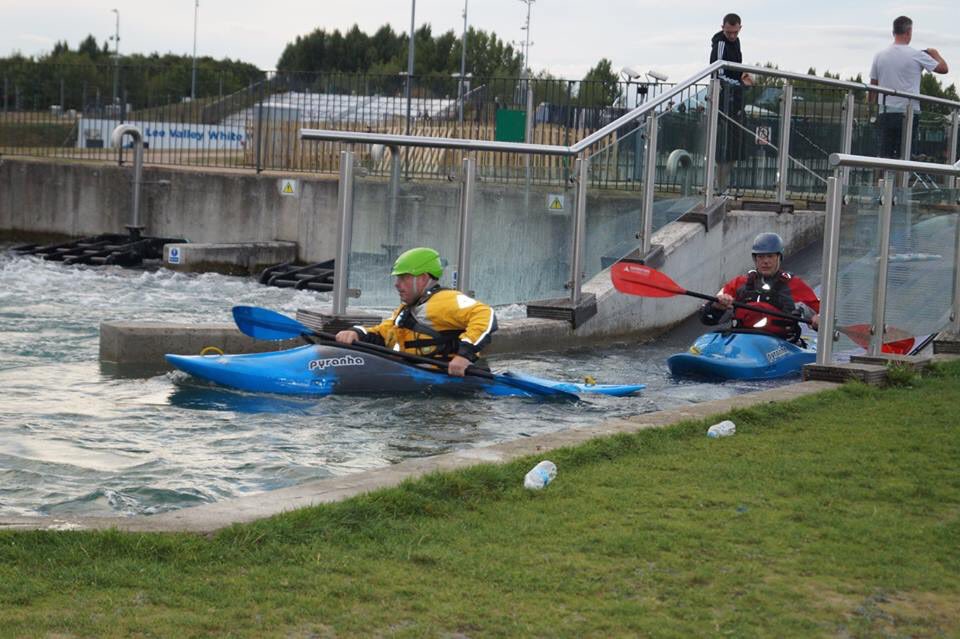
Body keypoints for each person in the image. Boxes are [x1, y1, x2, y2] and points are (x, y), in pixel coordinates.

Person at [335, 247, 497, 377]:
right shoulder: (408, 308)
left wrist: (464, 356)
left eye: (403, 278)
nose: (397, 284)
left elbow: (485, 314)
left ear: (423, 278)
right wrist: (356, 333)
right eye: (397, 279)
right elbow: (384, 333)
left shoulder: (446, 300)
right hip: (416, 375)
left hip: (448, 383)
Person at [700, 232, 820, 342]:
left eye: (770, 256)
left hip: (781, 344)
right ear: (755, 259)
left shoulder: (794, 285)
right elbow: (707, 319)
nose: (765, 261)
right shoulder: (738, 283)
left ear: (779, 257)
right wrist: (717, 306)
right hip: (741, 342)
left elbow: (822, 313)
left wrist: (819, 319)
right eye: (761, 257)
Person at [869, 16, 949, 159]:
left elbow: (873, 86)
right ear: (909, 31)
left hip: (885, 112)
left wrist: (870, 110)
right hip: (909, 113)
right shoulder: (916, 54)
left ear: (893, 32)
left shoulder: (879, 56)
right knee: (905, 154)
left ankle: (881, 180)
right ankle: (901, 180)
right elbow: (943, 68)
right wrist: (935, 53)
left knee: (883, 154)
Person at [710, 13, 754, 194]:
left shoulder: (737, 43)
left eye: (735, 32)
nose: (732, 36)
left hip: (735, 101)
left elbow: (735, 70)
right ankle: (718, 187)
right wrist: (740, 83)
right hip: (723, 101)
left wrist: (743, 77)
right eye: (729, 33)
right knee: (723, 148)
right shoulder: (720, 43)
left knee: (733, 149)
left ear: (740, 29)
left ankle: (720, 186)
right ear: (723, 28)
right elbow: (717, 72)